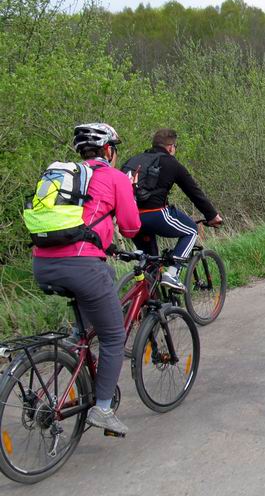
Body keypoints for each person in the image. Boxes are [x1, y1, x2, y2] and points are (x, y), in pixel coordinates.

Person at [32, 123, 141, 435]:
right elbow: (132, 227)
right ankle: (103, 409)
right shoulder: (115, 178)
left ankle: (75, 342)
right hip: (80, 266)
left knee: (104, 275)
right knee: (113, 336)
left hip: (43, 263)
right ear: (108, 150)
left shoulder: (66, 178)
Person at [124, 129, 222, 290]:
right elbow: (193, 191)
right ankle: (173, 273)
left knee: (151, 263)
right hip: (155, 214)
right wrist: (212, 216)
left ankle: (150, 307)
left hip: (130, 219)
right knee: (191, 230)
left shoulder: (134, 160)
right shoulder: (171, 163)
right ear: (170, 147)